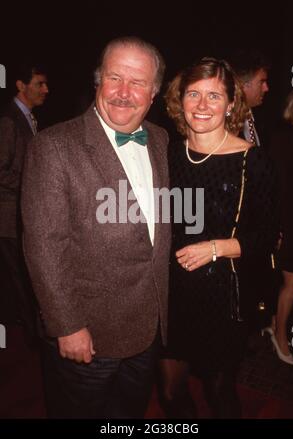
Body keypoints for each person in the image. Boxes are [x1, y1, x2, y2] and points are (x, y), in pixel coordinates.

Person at [21, 36, 170, 419]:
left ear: (153, 93)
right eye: (114, 78)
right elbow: (43, 246)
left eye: (137, 82)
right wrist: (66, 325)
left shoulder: (161, 139)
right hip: (88, 334)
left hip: (148, 329)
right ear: (97, 81)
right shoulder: (54, 146)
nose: (124, 92)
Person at [160, 57, 278, 418]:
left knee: (218, 389)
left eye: (214, 96)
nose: (202, 105)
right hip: (170, 292)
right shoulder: (167, 152)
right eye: (193, 94)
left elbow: (269, 236)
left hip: (222, 294)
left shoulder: (251, 161)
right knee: (169, 388)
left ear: (230, 103)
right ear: (180, 100)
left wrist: (216, 247)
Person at [0, 63, 48, 341]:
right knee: (22, 278)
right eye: (39, 83)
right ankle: (34, 338)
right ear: (20, 85)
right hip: (7, 219)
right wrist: (31, 186)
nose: (46, 89)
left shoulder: (27, 118)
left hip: (19, 215)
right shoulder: (8, 121)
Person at [265, 89, 293, 366]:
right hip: (290, 221)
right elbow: (277, 188)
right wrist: (278, 227)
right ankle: (280, 335)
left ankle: (275, 322)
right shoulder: (284, 137)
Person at [230, 49, 270, 146]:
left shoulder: (261, 120)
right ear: (244, 84)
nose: (266, 88)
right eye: (262, 82)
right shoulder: (225, 122)